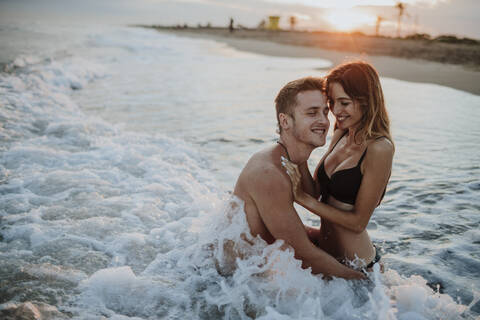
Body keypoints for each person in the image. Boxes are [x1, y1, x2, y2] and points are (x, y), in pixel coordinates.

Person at [233, 77, 364, 280]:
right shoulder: (269, 174)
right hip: (226, 283)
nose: (324, 121)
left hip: (252, 272)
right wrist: (369, 284)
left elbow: (309, 196)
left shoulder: (292, 157)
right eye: (312, 113)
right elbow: (303, 255)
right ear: (285, 121)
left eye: (324, 112)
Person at [283, 61, 394, 271]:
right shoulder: (341, 132)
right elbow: (316, 192)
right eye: (332, 102)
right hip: (328, 257)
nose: (335, 111)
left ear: (367, 101)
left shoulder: (380, 149)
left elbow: (358, 222)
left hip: (359, 268)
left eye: (344, 103)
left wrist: (301, 198)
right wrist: (302, 157)